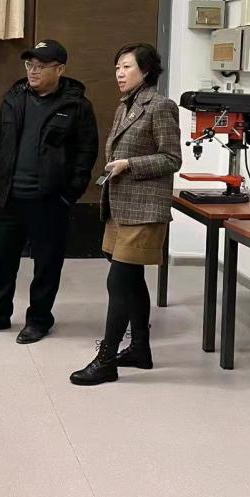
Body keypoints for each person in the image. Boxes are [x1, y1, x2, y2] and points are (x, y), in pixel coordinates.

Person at [0, 39, 98, 344]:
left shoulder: (76, 106)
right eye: (30, 65)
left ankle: (39, 320)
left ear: (60, 69)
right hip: (9, 197)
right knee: (2, 260)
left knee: (46, 265)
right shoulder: (15, 97)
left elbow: (86, 154)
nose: (33, 71)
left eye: (40, 66)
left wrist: (69, 194)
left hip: (50, 200)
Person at [70, 43, 181, 386]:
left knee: (118, 281)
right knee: (131, 279)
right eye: (117, 67)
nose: (119, 73)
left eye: (127, 67)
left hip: (144, 208)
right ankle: (140, 349)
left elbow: (172, 158)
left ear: (146, 71)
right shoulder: (125, 105)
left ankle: (106, 360)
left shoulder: (160, 106)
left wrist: (130, 164)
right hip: (121, 206)